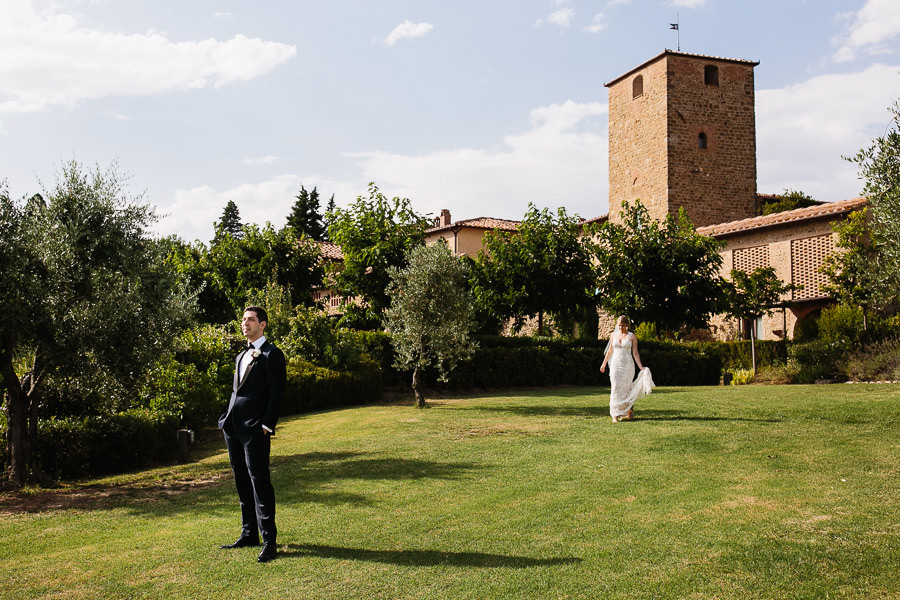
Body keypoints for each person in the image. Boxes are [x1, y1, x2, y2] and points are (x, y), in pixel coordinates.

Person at [218, 306, 286, 563]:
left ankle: (269, 540)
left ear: (263, 325)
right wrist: (226, 419)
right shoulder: (240, 355)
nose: (245, 323)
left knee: (260, 482)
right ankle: (249, 534)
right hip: (233, 427)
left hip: (255, 429)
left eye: (251, 320)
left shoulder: (272, 354)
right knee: (241, 481)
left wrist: (266, 425)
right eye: (243, 319)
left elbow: (277, 394)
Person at [600, 315, 655, 422]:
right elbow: (610, 351)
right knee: (615, 387)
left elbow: (635, 353)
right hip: (616, 365)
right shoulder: (613, 335)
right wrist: (604, 364)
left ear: (627, 325)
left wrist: (641, 367)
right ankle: (615, 415)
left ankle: (629, 411)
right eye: (619, 325)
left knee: (626, 388)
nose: (621, 328)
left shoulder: (632, 336)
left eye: (623, 325)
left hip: (628, 366)